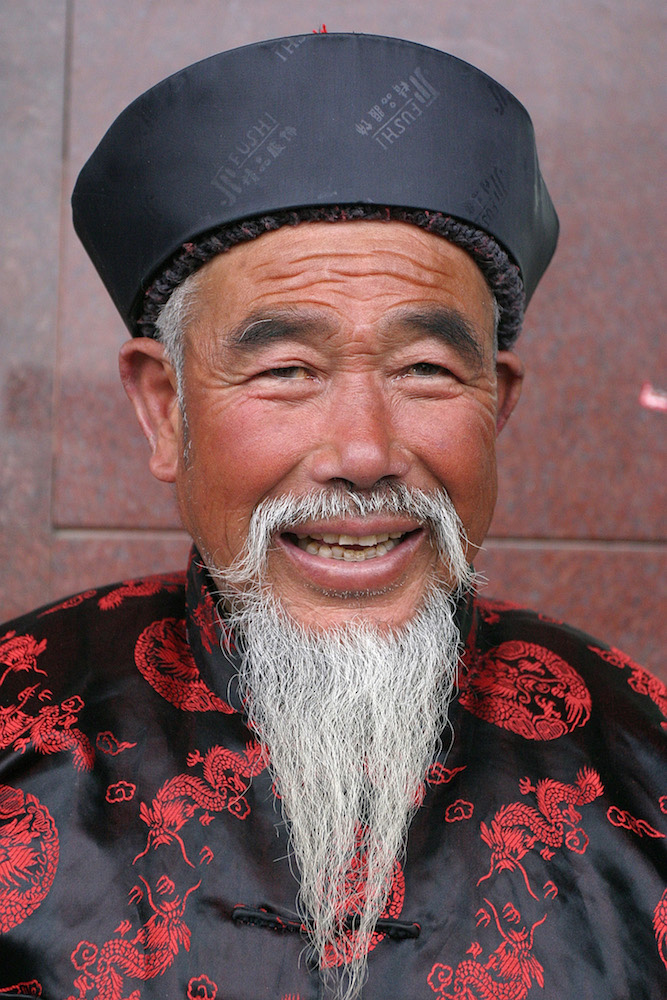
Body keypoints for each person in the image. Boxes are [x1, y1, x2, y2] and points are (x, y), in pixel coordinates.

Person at [0, 32, 664, 1000]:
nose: (363, 453)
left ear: (498, 404)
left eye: (426, 369)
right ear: (163, 408)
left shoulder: (639, 761)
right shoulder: (20, 730)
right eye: (285, 371)